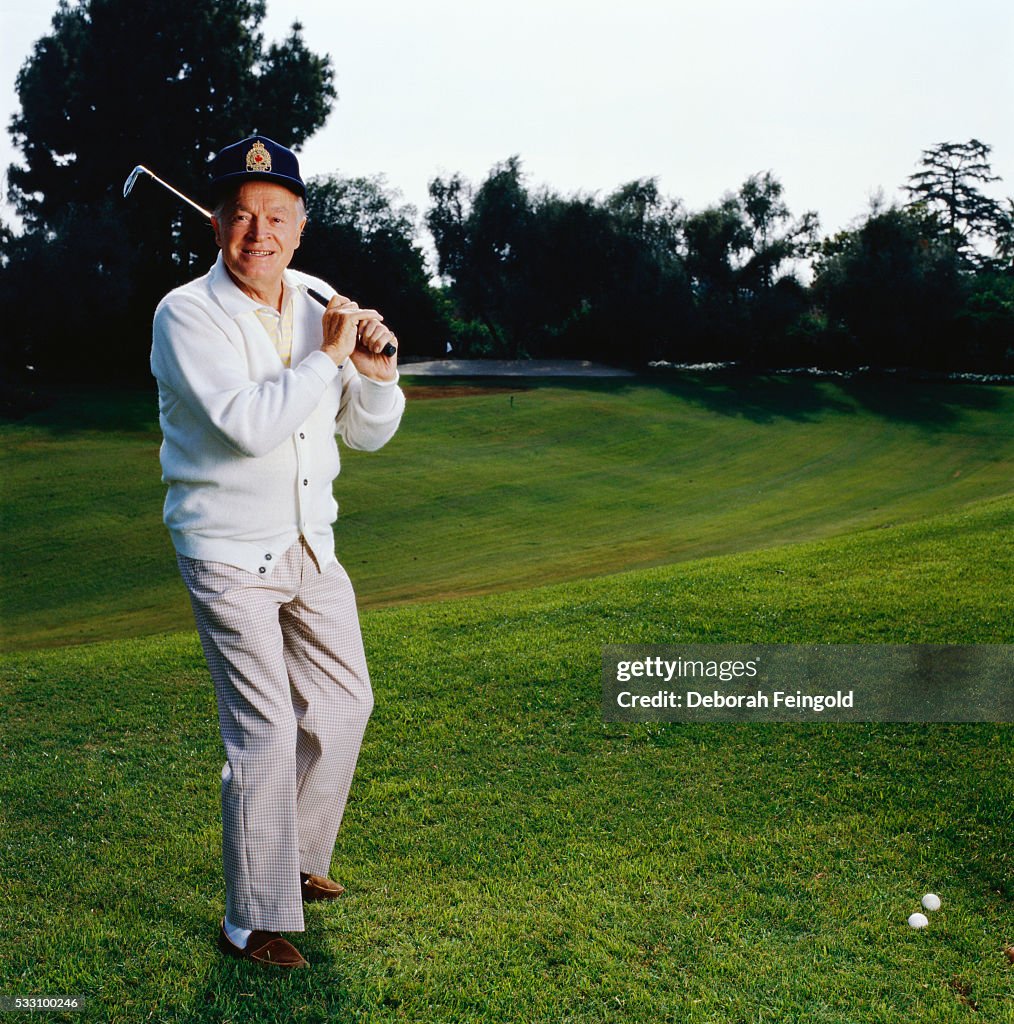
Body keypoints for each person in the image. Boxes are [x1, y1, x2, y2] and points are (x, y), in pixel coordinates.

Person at [151, 135, 405, 968]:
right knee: (262, 731)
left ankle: (292, 860)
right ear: (216, 222)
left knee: (344, 706)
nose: (257, 233)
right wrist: (329, 357)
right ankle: (249, 919)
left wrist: (374, 374)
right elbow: (250, 426)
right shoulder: (184, 314)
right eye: (241, 215)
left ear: (300, 227)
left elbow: (366, 437)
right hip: (225, 547)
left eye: (275, 217)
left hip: (307, 540)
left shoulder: (316, 297)